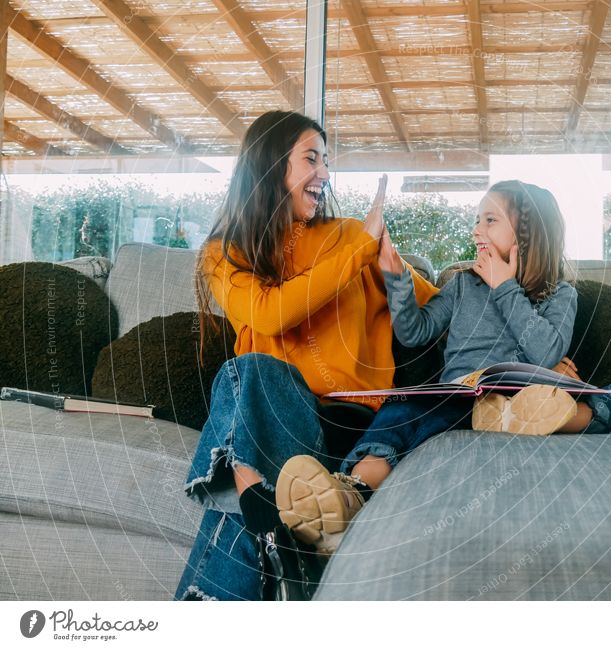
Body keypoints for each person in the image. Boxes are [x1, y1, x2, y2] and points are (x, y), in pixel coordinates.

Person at [276, 180, 611, 554]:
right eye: (477, 219)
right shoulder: (462, 287)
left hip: (526, 394)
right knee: (402, 410)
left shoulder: (559, 294)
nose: (476, 229)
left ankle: (544, 415)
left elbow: (543, 354)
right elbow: (414, 331)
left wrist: (504, 286)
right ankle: (351, 493)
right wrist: (396, 276)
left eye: (490, 220)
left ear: (527, 233)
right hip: (464, 399)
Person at [174, 110, 438, 601]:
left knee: (245, 383)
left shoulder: (346, 239)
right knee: (249, 372)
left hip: (348, 424)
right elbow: (270, 314)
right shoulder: (223, 253)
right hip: (277, 425)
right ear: (273, 167)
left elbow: (435, 305)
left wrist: (520, 341)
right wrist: (362, 243)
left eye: (326, 161)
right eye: (311, 159)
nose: (326, 174)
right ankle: (277, 535)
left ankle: (256, 509)